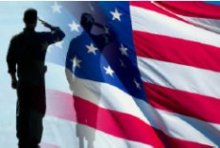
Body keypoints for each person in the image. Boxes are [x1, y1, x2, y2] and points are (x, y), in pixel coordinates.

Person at [6, 8, 65, 148]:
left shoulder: (16, 40)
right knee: (37, 111)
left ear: (24, 20)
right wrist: (50, 26)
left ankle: (23, 140)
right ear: (35, 22)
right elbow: (61, 34)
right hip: (37, 83)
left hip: (23, 82)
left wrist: (14, 79)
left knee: (22, 111)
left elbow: (10, 60)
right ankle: (34, 141)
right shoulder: (42, 38)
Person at [65, 13, 113, 148]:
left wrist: (71, 81)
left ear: (81, 24)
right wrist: (101, 26)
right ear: (91, 25)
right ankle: (90, 143)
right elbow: (112, 36)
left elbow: (68, 65)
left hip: (79, 83)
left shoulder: (75, 42)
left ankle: (81, 143)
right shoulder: (99, 40)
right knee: (93, 112)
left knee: (80, 112)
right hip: (96, 82)